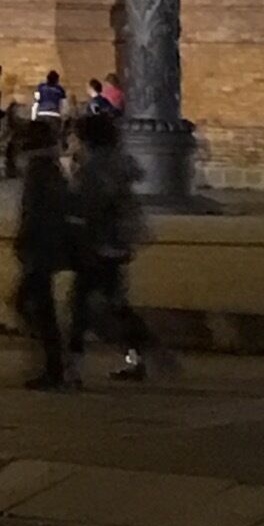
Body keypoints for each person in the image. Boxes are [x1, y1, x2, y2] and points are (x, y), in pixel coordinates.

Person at [68, 110, 159, 381]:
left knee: (81, 307)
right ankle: (138, 353)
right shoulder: (116, 164)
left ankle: (70, 365)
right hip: (116, 243)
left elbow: (91, 205)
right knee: (112, 303)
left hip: (100, 245)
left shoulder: (95, 169)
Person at [13, 120, 76, 389]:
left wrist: (26, 240)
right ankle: (55, 363)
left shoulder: (40, 170)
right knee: (37, 305)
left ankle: (55, 366)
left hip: (40, 246)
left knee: (36, 306)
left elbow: (36, 212)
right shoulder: (49, 168)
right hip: (45, 245)